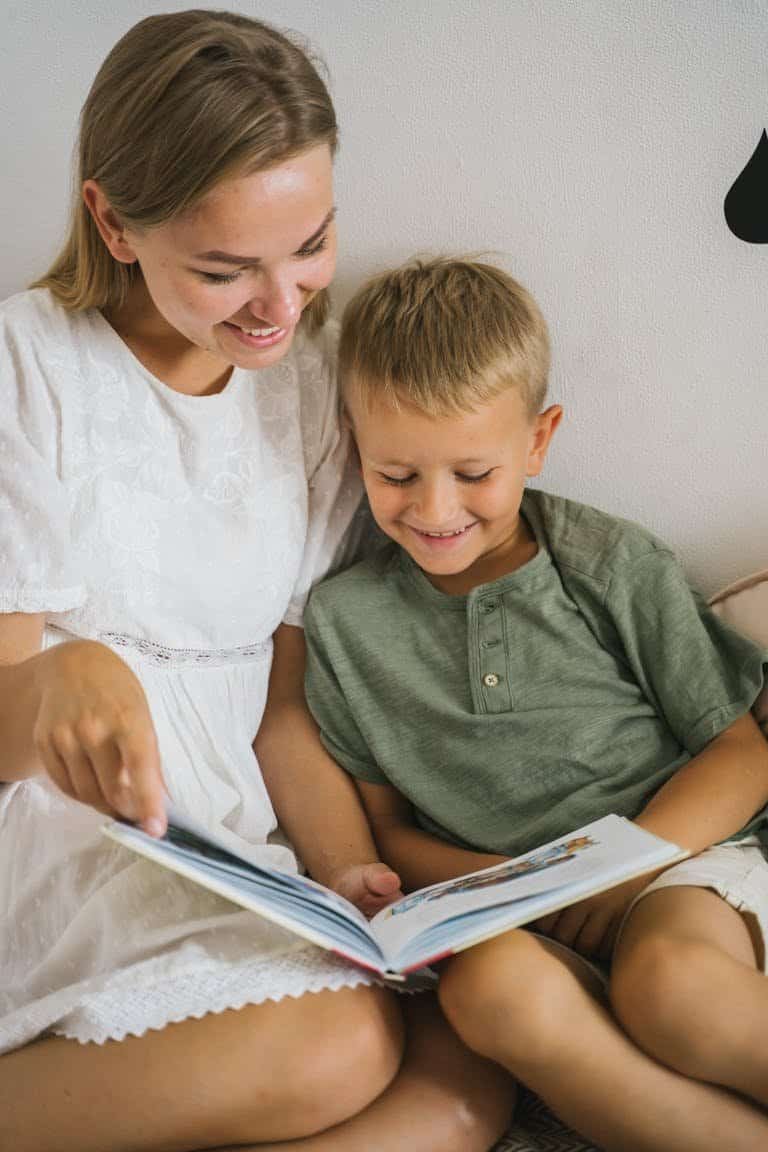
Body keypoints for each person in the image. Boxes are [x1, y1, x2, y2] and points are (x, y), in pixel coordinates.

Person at [0, 17, 514, 1152]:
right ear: (113, 224)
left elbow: (280, 708)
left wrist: (345, 874)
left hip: (237, 843)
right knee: (338, 1047)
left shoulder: (311, 386)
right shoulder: (27, 366)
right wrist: (55, 687)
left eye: (312, 244)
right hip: (67, 851)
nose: (280, 305)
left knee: (470, 1057)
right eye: (226, 270)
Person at [304, 255, 768, 1151]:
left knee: (670, 987)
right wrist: (513, 890)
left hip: (674, 876)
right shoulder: (346, 622)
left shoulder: (604, 562)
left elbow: (745, 749)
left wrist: (623, 867)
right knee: (488, 993)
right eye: (397, 475)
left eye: (473, 473)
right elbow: (384, 830)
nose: (435, 509)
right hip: (515, 914)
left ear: (538, 441)